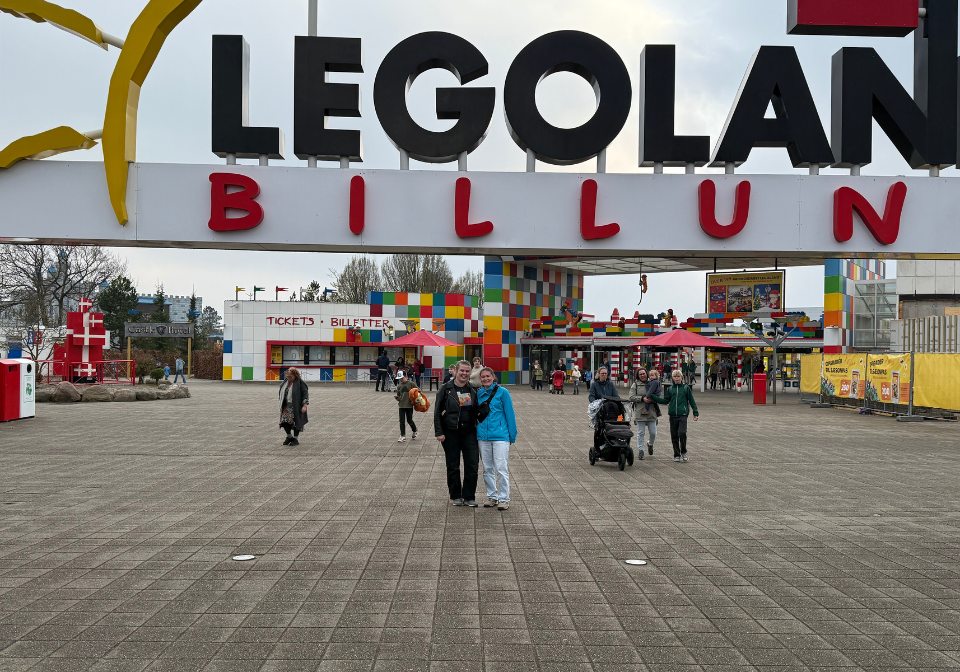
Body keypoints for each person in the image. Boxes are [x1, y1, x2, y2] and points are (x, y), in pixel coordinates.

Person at [435, 361, 481, 507]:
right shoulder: (446, 389)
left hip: (470, 432)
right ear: (455, 371)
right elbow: (437, 412)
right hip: (450, 432)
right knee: (453, 465)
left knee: (472, 464)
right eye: (462, 371)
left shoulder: (473, 389)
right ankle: (456, 495)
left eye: (467, 371)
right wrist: (439, 432)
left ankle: (469, 496)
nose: (464, 374)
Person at [477, 367, 517, 511]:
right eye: (483, 377)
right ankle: (492, 496)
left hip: (500, 436)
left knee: (501, 468)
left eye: (488, 376)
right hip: (483, 436)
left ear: (493, 377)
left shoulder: (503, 392)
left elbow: (510, 414)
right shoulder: (479, 393)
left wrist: (512, 435)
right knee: (487, 468)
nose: (485, 379)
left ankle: (504, 498)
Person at [646, 369, 699, 462]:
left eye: (678, 377)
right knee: (674, 435)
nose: (677, 378)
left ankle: (683, 451)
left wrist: (695, 413)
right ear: (673, 378)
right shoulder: (670, 389)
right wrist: (653, 397)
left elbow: (692, 401)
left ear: (681, 377)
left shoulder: (686, 388)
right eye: (675, 377)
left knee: (682, 433)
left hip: (683, 414)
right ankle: (676, 454)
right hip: (673, 414)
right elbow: (665, 400)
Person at [628, 369, 660, 460]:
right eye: (640, 374)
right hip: (640, 411)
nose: (642, 375)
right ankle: (641, 450)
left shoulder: (653, 382)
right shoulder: (636, 384)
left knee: (653, 432)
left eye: (644, 373)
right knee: (641, 432)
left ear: (647, 374)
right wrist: (642, 399)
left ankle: (650, 444)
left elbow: (659, 394)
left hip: (651, 412)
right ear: (638, 375)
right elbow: (631, 397)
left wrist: (655, 399)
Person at [279, 368, 309, 447]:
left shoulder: (300, 383)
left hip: (296, 405)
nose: (289, 378)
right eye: (288, 376)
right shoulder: (285, 382)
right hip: (286, 406)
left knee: (296, 422)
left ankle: (295, 439)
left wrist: (304, 406)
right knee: (284, 422)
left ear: (295, 375)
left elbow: (305, 395)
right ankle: (289, 436)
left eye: (291, 377)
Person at [394, 370, 418, 442]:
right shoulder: (399, 386)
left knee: (409, 420)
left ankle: (414, 430)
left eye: (402, 378)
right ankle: (403, 435)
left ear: (406, 376)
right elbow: (399, 395)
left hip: (409, 405)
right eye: (400, 378)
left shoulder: (411, 384)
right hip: (401, 405)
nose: (401, 380)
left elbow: (418, 391)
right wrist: (398, 398)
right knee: (401, 421)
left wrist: (417, 400)